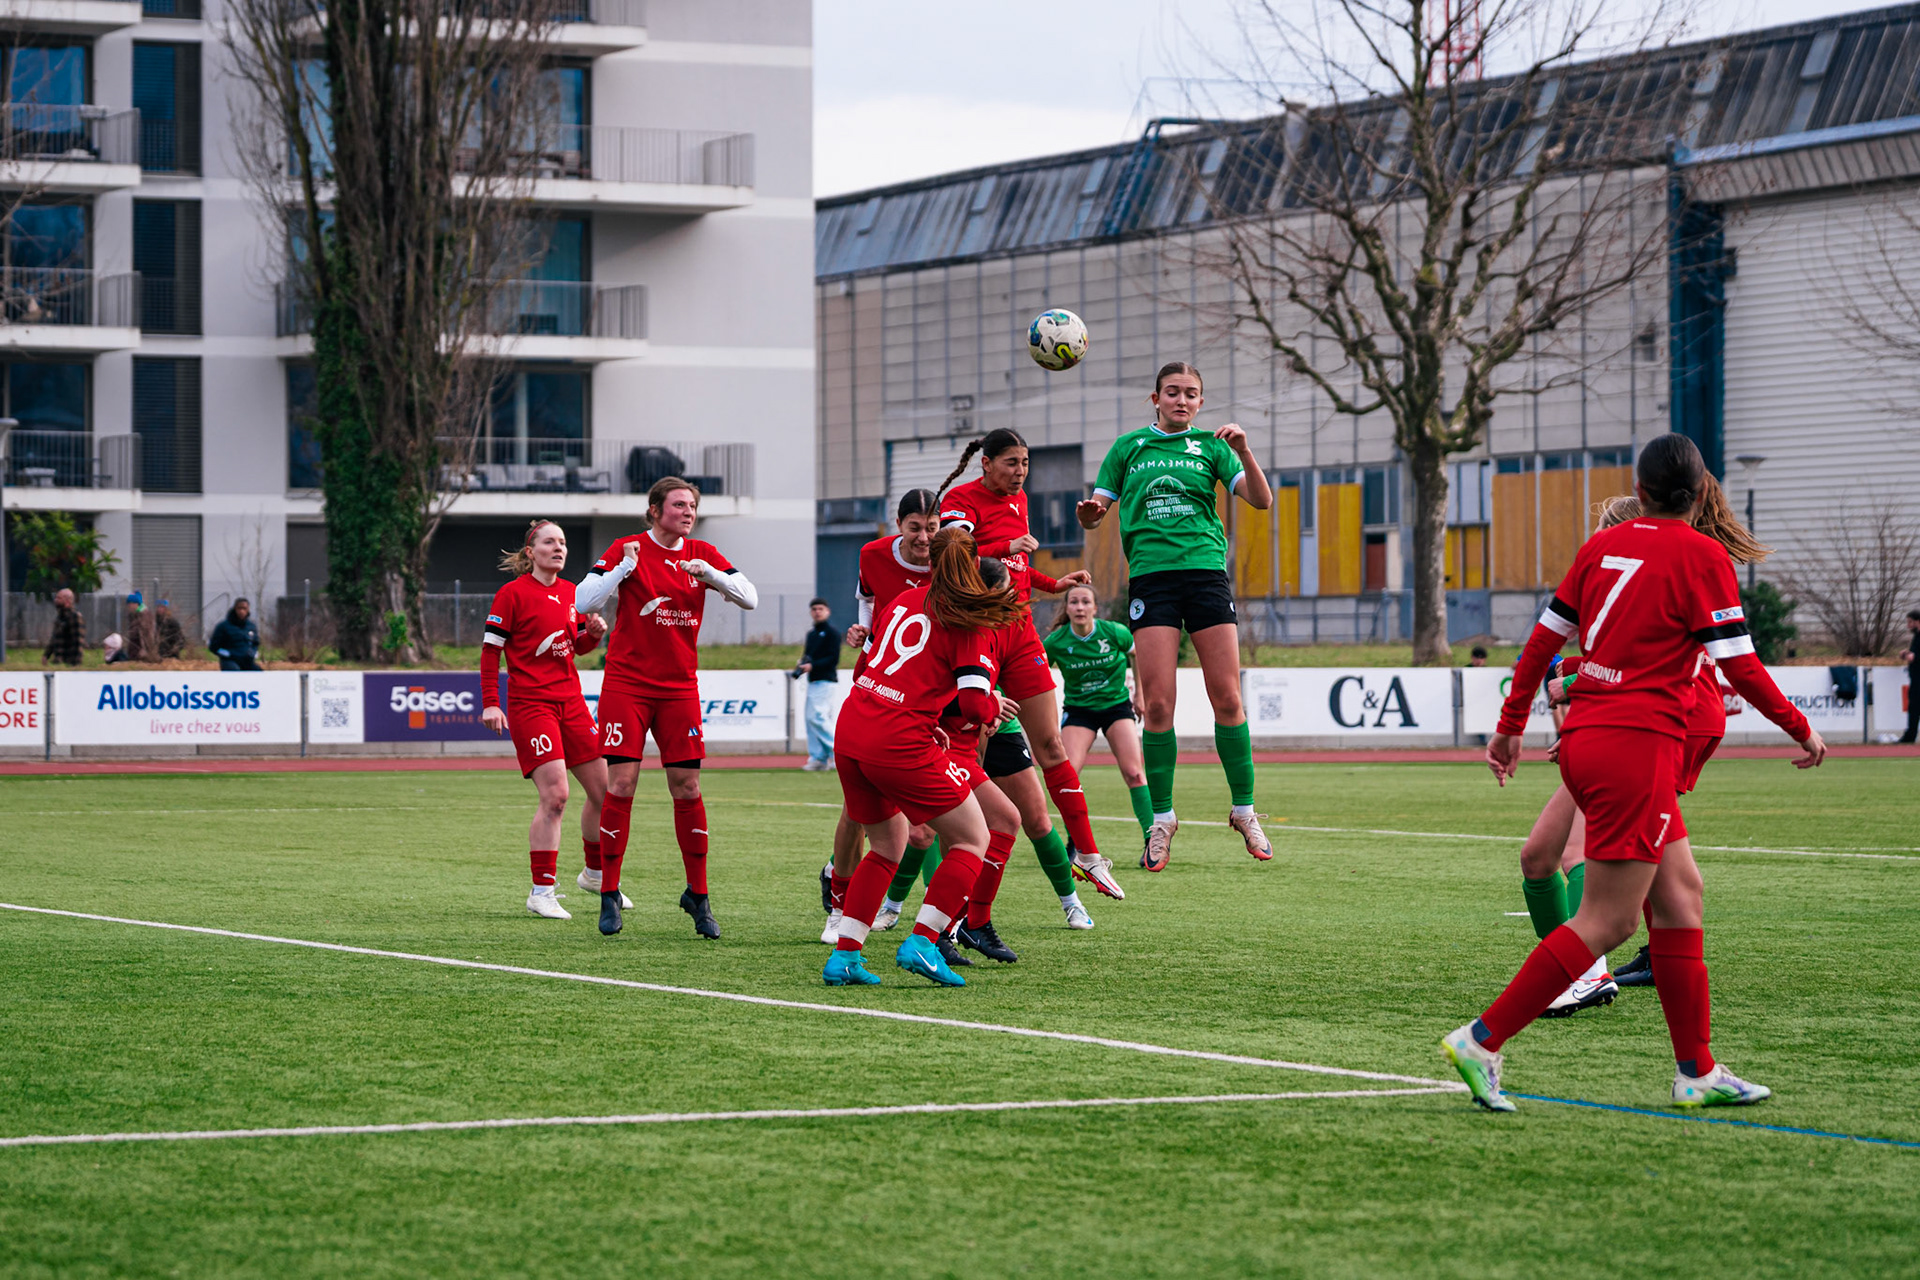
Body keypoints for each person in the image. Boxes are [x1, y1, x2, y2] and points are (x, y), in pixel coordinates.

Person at [1444, 434, 1827, 1114]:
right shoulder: (1703, 555)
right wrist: (1800, 726)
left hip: (1591, 736)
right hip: (1639, 745)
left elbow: (1541, 643)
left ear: (1640, 489)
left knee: (1681, 900)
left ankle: (1698, 1072)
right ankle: (1482, 1039)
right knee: (1611, 921)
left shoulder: (1599, 549)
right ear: (1703, 492)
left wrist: (1507, 728)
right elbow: (1739, 666)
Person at [1076, 361, 1276, 871]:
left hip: (1206, 576)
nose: (1181, 400)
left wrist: (1244, 451)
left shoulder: (1212, 446)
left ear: (1200, 402)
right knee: (1159, 705)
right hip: (1152, 581)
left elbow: (1261, 500)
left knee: (1227, 696)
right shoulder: (1128, 448)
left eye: (1191, 394)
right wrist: (1091, 514)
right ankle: (1161, 821)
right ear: (1155, 398)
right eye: (1172, 392)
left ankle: (1244, 810)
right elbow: (1099, 505)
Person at [824, 526, 1025, 988]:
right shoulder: (966, 617)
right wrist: (995, 704)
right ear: (973, 564)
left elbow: (876, 666)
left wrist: (916, 708)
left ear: (930, 562)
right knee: (975, 838)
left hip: (854, 727)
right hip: (896, 741)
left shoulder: (901, 600)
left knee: (887, 846)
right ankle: (922, 942)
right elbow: (976, 705)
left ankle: (846, 956)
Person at [936, 427, 1122, 893]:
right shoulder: (961, 498)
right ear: (986, 463)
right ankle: (956, 884)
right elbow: (952, 550)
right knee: (969, 760)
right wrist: (1003, 547)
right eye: (1011, 463)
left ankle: (1089, 854)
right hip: (981, 630)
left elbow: (1015, 566)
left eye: (1025, 464)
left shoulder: (1019, 501)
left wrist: (1053, 584)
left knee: (1052, 747)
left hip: (1021, 631)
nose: (1020, 472)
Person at [575, 476, 758, 939]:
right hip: (627, 685)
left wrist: (711, 576)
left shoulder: (704, 554)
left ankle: (698, 895)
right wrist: (623, 571)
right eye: (679, 504)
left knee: (688, 788)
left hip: (679, 689)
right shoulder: (626, 547)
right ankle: (609, 893)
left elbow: (749, 598)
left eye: (692, 505)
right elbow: (582, 600)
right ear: (655, 510)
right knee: (622, 783)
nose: (688, 511)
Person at [824, 490, 944, 947]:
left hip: (932, 693)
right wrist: (863, 630)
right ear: (898, 525)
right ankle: (839, 903)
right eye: (915, 528)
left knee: (933, 819)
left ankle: (939, 919)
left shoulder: (949, 558)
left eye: (931, 528)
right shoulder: (872, 554)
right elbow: (867, 600)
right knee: (859, 810)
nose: (924, 538)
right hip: (881, 689)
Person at [478, 520, 612, 920]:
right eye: (550, 542)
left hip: (571, 703)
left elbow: (572, 648)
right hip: (530, 705)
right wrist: (490, 702)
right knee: (556, 795)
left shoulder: (573, 593)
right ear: (530, 551)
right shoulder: (511, 594)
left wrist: (593, 635)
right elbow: (490, 653)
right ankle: (541, 891)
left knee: (607, 794)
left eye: (563, 542)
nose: (559, 548)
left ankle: (594, 875)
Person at [1046, 583, 1154, 849]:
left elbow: (1136, 654)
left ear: (1095, 607)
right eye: (1074, 602)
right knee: (1068, 774)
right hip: (1079, 711)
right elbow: (1038, 677)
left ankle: (1153, 839)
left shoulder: (1114, 632)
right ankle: (1076, 840)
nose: (1080, 607)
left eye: (1085, 602)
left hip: (1116, 707)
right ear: (1067, 608)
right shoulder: (1055, 642)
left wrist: (1139, 696)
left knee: (1134, 773)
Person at [798, 598, 840, 771]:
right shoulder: (812, 634)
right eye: (814, 609)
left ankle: (837, 752)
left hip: (826, 680)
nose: (817, 611)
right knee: (810, 719)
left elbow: (833, 659)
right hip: (813, 681)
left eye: (820, 608)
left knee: (818, 717)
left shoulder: (832, 633)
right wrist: (802, 665)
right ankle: (819, 758)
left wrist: (813, 666)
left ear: (827, 611)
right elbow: (808, 656)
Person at [208, 599, 262, 671]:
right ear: (235, 609)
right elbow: (213, 646)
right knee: (235, 673)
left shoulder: (251, 626)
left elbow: (255, 643)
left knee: (258, 672)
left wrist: (254, 652)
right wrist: (226, 653)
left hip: (246, 660)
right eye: (239, 608)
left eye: (244, 608)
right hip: (230, 660)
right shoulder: (223, 626)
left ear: (248, 610)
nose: (241, 611)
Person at [42, 588, 84, 666]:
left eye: (59, 598)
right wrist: (46, 655)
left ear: (68, 601)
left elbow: (77, 642)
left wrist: (76, 664)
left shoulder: (74, 617)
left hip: (69, 663)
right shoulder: (60, 618)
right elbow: (54, 639)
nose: (55, 600)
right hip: (58, 662)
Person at [1900, 609, 1920, 744]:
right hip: (1916, 677)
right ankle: (1910, 735)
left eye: (1910, 622)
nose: (1908, 626)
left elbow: (1916, 656)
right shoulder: (1917, 636)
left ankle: (1910, 735)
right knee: (1913, 707)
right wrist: (1907, 654)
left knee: (1914, 706)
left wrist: (1913, 656)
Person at [122, 592, 157, 664]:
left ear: (136, 604)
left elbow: (145, 635)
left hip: (140, 652)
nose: (128, 606)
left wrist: (144, 650)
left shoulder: (144, 615)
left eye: (130, 604)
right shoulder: (135, 615)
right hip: (136, 651)